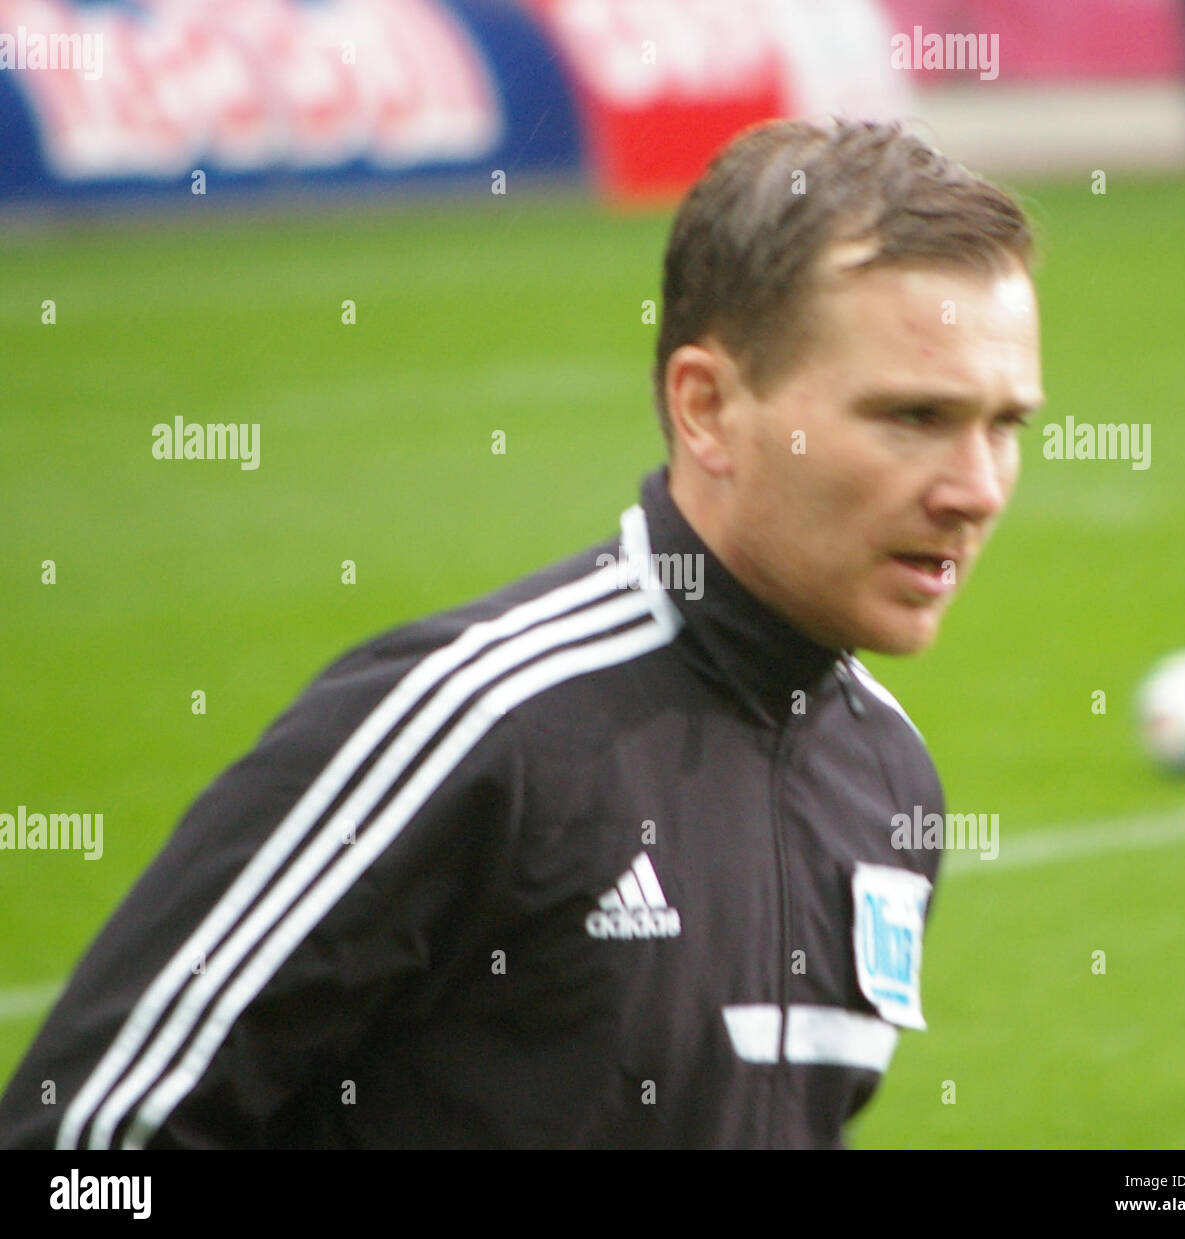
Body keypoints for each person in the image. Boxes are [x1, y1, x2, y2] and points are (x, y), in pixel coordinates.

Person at [0, 117, 1042, 1150]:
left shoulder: (888, 780)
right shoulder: (477, 725)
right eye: (912, 417)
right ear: (708, 408)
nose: (976, 489)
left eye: (1005, 425)